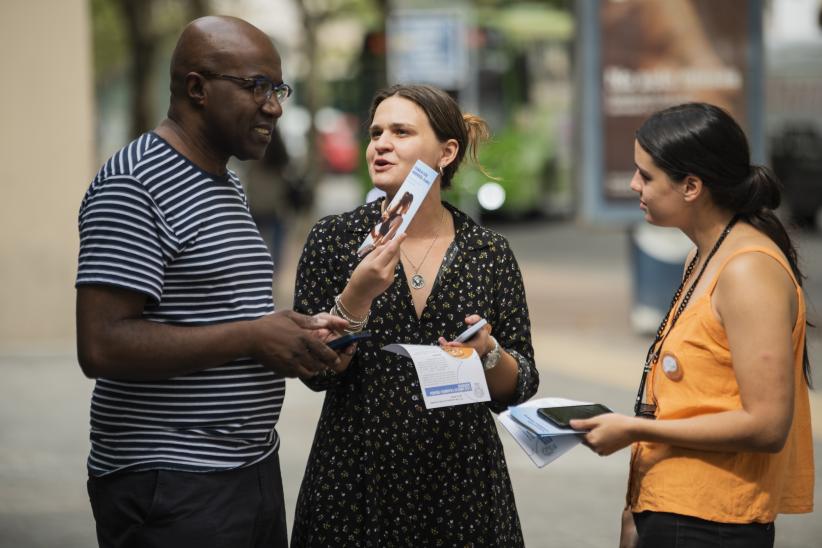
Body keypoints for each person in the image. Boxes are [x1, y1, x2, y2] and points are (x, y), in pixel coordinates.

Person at [75, 16, 349, 548]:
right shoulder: (134, 184)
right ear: (198, 89)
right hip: (171, 482)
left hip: (246, 468)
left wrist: (292, 331)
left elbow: (222, 315)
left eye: (279, 88)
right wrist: (252, 336)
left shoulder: (225, 183)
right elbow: (102, 344)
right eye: (257, 87)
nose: (274, 105)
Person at [290, 84, 539, 546]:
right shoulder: (334, 239)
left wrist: (487, 353)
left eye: (401, 132)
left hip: (463, 486)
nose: (381, 143)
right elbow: (315, 371)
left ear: (446, 153)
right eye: (376, 132)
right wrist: (356, 297)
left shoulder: (488, 252)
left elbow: (519, 384)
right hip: (355, 479)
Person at [571, 103, 814, 548]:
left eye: (646, 176)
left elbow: (767, 425)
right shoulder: (702, 254)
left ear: (691, 186)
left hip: (711, 521)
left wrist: (635, 429)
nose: (633, 185)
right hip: (673, 507)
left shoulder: (747, 271)